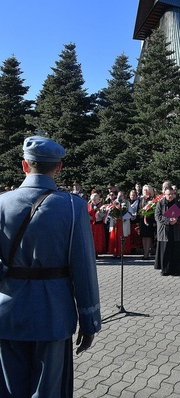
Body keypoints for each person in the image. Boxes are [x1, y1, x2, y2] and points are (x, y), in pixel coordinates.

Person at [0, 136, 101, 397]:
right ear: (59, 167)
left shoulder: (1, 203)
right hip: (53, 314)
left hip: (7, 312)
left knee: (9, 388)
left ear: (24, 165)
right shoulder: (73, 206)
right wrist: (89, 322)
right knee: (48, 391)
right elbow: (85, 270)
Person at [154, 185, 180, 276]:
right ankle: (165, 270)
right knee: (165, 251)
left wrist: (177, 220)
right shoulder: (160, 203)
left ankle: (176, 270)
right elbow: (157, 216)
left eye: (171, 194)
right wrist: (168, 221)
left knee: (175, 251)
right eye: (168, 194)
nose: (170, 196)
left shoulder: (177, 203)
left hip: (175, 231)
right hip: (164, 231)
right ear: (164, 194)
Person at [138, 184, 156, 259]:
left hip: (149, 220)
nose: (145, 191)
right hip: (142, 220)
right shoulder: (141, 199)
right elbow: (139, 209)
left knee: (148, 237)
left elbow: (153, 210)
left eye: (146, 190)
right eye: (144, 190)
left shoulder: (152, 200)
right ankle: (144, 251)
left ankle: (146, 253)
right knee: (143, 237)